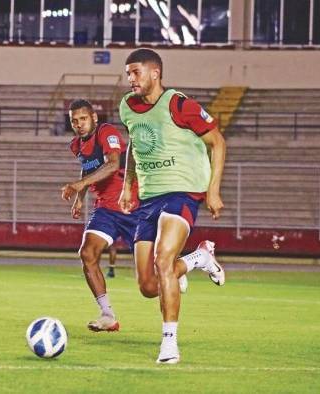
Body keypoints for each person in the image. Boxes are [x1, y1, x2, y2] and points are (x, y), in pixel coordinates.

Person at [118, 48, 226, 364]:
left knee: (163, 259)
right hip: (149, 196)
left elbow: (218, 142)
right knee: (148, 285)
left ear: (155, 73)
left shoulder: (179, 105)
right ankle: (198, 258)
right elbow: (134, 145)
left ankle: (169, 343)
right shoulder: (127, 107)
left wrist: (213, 190)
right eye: (128, 74)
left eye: (136, 72)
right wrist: (127, 185)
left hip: (182, 191)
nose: (131, 79)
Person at [61, 99, 140, 333]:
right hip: (105, 208)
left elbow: (113, 164)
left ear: (94, 118)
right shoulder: (76, 145)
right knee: (87, 253)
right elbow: (88, 167)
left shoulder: (106, 132)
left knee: (152, 279)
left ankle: (197, 258)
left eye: (83, 119)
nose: (78, 124)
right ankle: (108, 315)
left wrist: (79, 184)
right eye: (74, 121)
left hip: (131, 206)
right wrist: (79, 197)